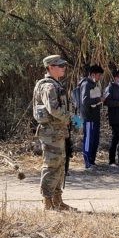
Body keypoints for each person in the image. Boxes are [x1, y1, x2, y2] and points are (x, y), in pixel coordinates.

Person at [32, 55, 77, 211]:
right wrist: (72, 118)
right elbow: (54, 109)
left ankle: (57, 200)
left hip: (57, 132)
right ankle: (47, 202)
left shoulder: (55, 84)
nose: (63, 68)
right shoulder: (48, 86)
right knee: (51, 165)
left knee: (59, 165)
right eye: (59, 66)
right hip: (51, 132)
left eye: (63, 65)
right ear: (50, 67)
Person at [80, 64, 105, 169]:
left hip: (95, 117)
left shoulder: (95, 84)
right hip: (88, 117)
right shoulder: (86, 84)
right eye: (98, 75)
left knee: (95, 139)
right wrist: (99, 99)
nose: (99, 77)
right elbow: (85, 101)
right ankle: (87, 163)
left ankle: (92, 161)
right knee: (88, 140)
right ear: (93, 74)